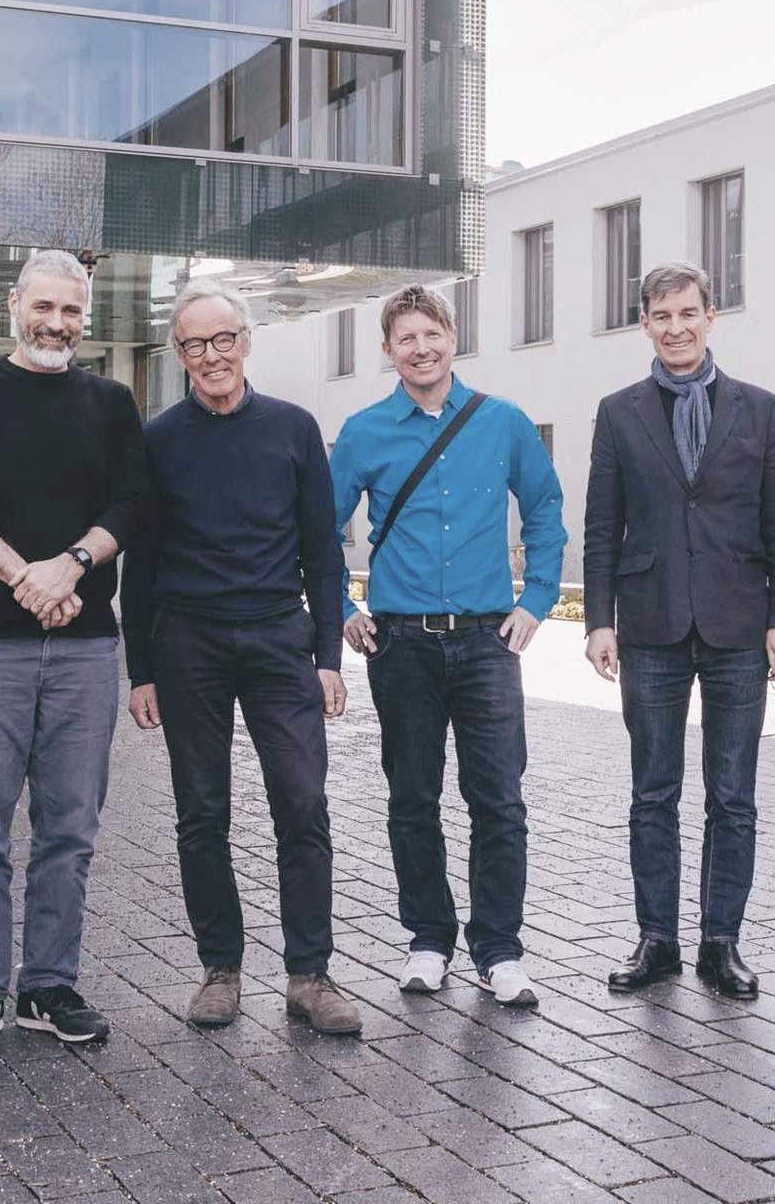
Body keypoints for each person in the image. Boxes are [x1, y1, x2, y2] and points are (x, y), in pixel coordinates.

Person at [0, 249, 148, 1057]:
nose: (57, 324)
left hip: (85, 650)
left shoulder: (112, 401)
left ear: (86, 317)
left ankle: (49, 985)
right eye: (44, 307)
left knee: (69, 831)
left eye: (72, 312)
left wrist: (72, 564)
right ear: (15, 304)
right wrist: (24, 575)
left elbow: (134, 501)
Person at [121, 279, 360, 1036]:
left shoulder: (293, 429)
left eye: (223, 339)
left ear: (246, 342)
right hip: (187, 642)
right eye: (194, 345)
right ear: (178, 354)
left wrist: (329, 655)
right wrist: (142, 671)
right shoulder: (157, 440)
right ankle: (220, 969)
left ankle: (309, 975)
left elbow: (325, 552)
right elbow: (142, 563)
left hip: (278, 641)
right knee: (202, 813)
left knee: (303, 803)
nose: (211, 356)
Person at [331, 284, 566, 1007]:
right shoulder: (364, 431)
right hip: (399, 645)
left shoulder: (503, 423)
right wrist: (341, 606)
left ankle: (499, 950)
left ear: (452, 336)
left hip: (488, 641)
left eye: (431, 334)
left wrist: (537, 600)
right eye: (406, 338)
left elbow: (548, 508)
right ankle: (428, 939)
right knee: (412, 797)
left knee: (498, 799)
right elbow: (317, 529)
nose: (421, 348)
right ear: (388, 350)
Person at [583, 263, 775, 999]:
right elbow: (600, 524)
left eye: (688, 313)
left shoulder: (761, 409)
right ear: (643, 323)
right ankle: (657, 940)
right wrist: (598, 621)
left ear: (712, 317)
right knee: (653, 793)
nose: (675, 327)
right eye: (660, 315)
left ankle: (721, 942)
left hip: (740, 624)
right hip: (649, 627)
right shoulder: (619, 412)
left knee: (733, 795)